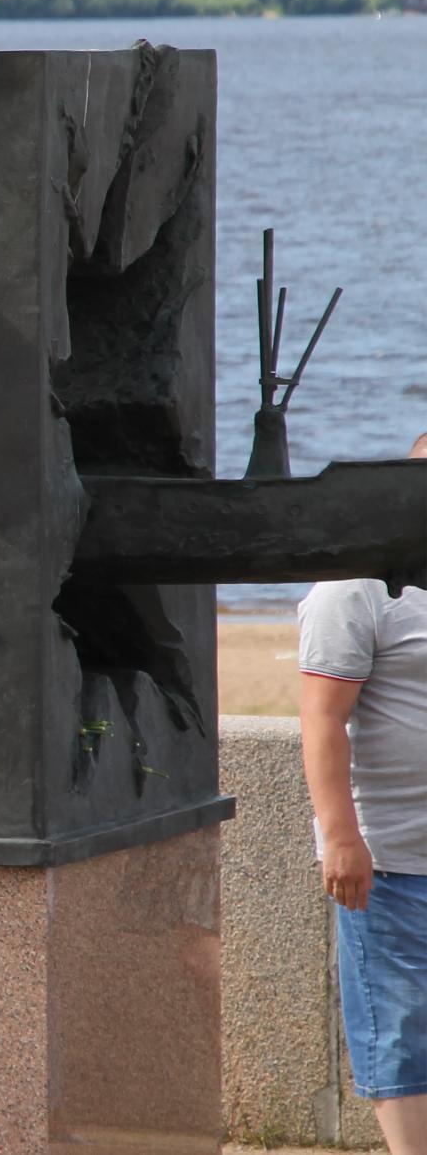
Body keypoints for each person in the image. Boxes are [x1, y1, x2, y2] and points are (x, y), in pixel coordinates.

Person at [300, 430, 427, 1152]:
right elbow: (322, 717)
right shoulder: (357, 587)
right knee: (401, 1040)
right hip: (394, 864)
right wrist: (341, 838)